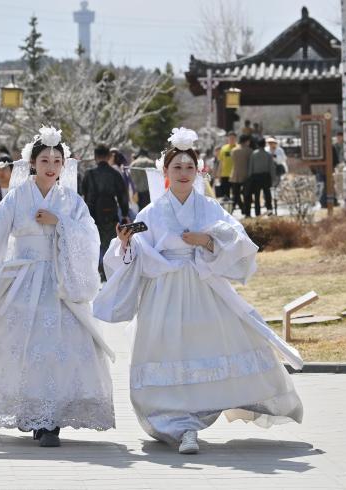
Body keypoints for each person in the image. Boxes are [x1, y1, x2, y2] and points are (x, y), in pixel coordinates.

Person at [94, 127, 303, 455]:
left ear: (198, 171)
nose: (183, 173)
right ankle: (179, 425)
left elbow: (236, 238)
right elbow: (135, 256)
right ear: (165, 172)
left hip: (203, 288)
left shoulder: (208, 208)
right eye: (177, 168)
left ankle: (201, 414)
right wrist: (125, 244)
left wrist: (207, 241)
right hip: (164, 292)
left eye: (189, 168)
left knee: (208, 347)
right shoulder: (151, 212)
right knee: (168, 353)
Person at [0, 126, 115, 448]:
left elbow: (89, 235)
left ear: (63, 165)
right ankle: (32, 413)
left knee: (58, 346)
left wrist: (61, 223)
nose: (51, 166)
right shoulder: (16, 197)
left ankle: (51, 419)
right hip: (23, 280)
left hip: (59, 281)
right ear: (32, 162)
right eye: (45, 159)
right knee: (23, 346)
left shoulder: (70, 201)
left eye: (57, 160)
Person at [82, 143, 130, 282]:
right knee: (110, 242)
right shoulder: (115, 173)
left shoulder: (89, 174)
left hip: (91, 212)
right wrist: (125, 213)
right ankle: (108, 270)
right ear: (109, 156)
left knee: (94, 241)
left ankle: (96, 270)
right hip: (110, 211)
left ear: (95, 157)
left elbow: (83, 192)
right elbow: (122, 195)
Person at [246, 136, 275, 217]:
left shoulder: (253, 154)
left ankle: (257, 212)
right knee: (267, 193)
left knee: (257, 195)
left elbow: (250, 167)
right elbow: (271, 167)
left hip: (256, 177)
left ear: (257, 144)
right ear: (264, 144)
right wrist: (273, 178)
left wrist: (249, 177)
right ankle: (269, 210)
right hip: (266, 176)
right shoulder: (268, 155)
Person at [230, 133, 252, 217]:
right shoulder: (249, 151)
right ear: (247, 141)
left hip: (235, 174)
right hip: (246, 175)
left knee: (236, 195)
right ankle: (247, 212)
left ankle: (237, 209)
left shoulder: (234, 150)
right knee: (247, 195)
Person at [218, 132, 236, 200]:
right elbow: (221, 162)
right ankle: (228, 208)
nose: (231, 139)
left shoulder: (238, 148)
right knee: (226, 193)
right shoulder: (223, 148)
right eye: (230, 138)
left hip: (235, 174)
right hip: (225, 174)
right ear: (228, 139)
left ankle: (235, 206)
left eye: (233, 138)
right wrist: (219, 174)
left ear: (235, 139)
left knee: (235, 193)